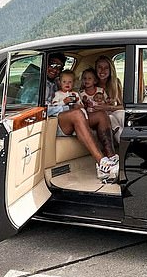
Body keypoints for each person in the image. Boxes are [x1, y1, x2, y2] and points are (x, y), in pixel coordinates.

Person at [45, 52, 119, 182]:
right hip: (55, 121)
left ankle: (111, 157)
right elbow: (43, 110)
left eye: (58, 67)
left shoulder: (58, 83)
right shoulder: (39, 84)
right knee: (77, 114)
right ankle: (102, 163)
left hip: (71, 115)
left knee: (101, 115)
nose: (55, 69)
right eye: (52, 64)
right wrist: (65, 105)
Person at [89, 55, 125, 142]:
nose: (102, 71)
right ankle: (124, 143)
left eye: (106, 68)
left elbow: (124, 106)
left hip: (113, 111)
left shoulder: (115, 83)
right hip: (98, 116)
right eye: (99, 67)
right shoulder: (91, 84)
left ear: (110, 70)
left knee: (121, 114)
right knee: (110, 118)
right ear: (95, 69)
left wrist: (108, 107)